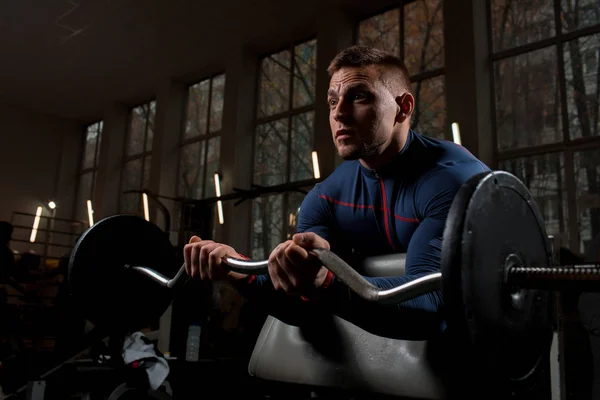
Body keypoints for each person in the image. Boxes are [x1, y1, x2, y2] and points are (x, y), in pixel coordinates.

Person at [183, 45, 490, 339]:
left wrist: (327, 282)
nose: (339, 113)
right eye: (332, 101)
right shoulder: (324, 199)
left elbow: (433, 308)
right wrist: (238, 270)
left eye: (358, 97)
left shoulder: (452, 182)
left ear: (403, 107)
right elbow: (304, 311)